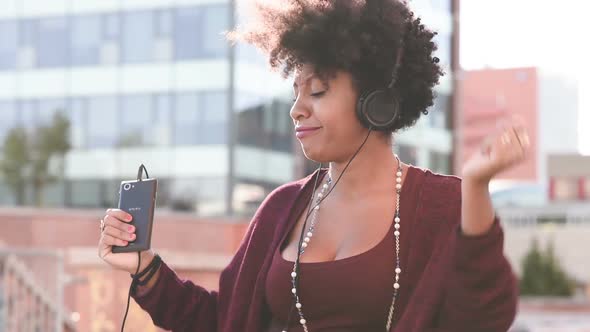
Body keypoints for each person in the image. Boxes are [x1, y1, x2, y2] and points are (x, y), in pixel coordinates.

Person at [98, 0, 527, 331]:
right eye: (295, 92)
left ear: (374, 102)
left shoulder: (442, 204)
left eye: (318, 91)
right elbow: (225, 320)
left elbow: (483, 316)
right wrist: (146, 268)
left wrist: (476, 189)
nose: (297, 110)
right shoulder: (282, 207)